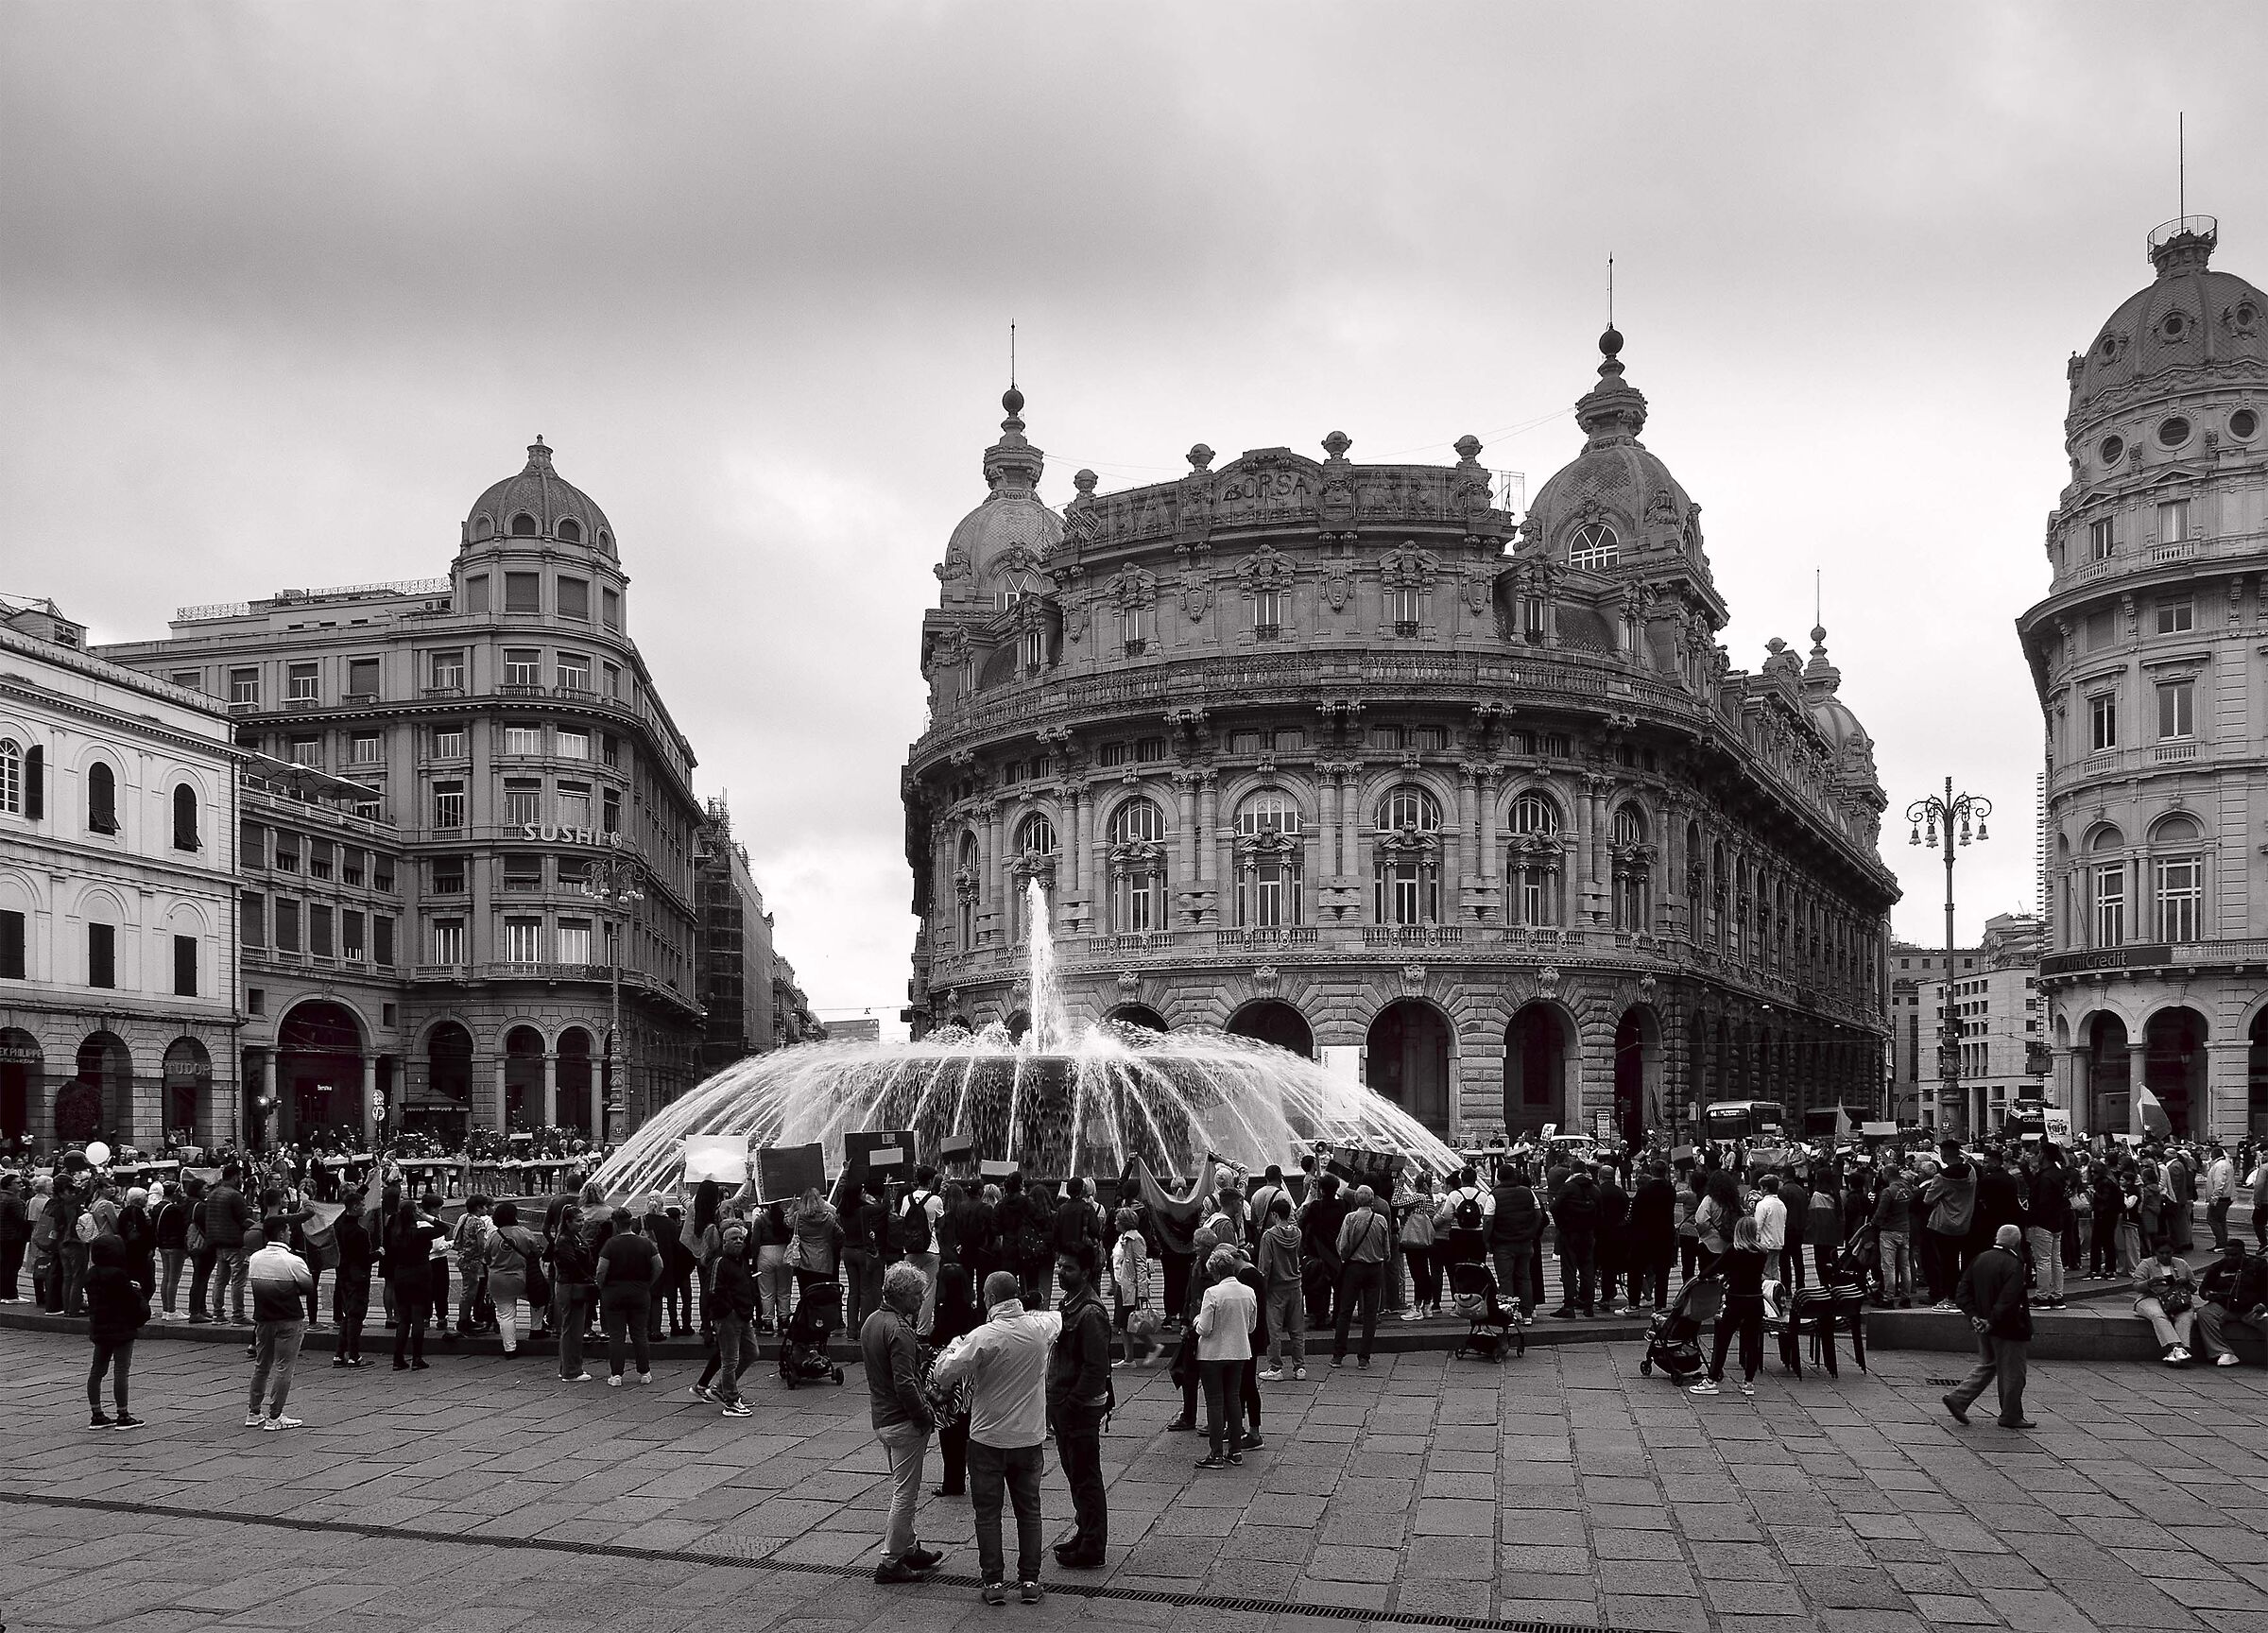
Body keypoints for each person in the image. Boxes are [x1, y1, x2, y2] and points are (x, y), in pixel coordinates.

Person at [930, 1269, 1062, 1606]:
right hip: (1029, 1436)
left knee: (987, 1512)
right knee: (1029, 1510)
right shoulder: (1040, 1329)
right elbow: (1057, 1318)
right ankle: (1030, 1580)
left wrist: (953, 1346)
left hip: (987, 1437)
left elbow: (944, 1373)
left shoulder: (982, 1337)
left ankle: (993, 1582)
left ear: (989, 1299)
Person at [861, 1261, 945, 1584]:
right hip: (903, 1422)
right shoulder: (900, 1330)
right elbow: (906, 1384)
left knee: (901, 1487)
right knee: (905, 1494)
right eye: (917, 1294)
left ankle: (909, 1547)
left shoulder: (872, 1321)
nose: (921, 1299)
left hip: (882, 1418)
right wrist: (925, 1416)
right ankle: (892, 1561)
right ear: (903, 1295)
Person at [1047, 1248, 1113, 1569]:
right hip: (1065, 1403)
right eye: (1060, 1265)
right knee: (1075, 1473)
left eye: (1069, 1267)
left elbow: (1096, 1367)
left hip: (1079, 1407)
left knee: (1086, 1476)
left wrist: (1071, 1403)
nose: (1061, 1272)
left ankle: (1093, 1545)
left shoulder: (1090, 1313)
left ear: (1086, 1273)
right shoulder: (1069, 1304)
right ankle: (1084, 1530)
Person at [1943, 1224, 2034, 1430]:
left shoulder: (1980, 1258)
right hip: (2008, 1327)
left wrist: (1974, 1316)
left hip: (1982, 1324)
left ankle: (1959, 1398)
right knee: (2013, 1373)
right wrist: (1992, 1320)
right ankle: (2011, 1415)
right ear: (2017, 1243)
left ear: (1996, 1237)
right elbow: (2008, 1299)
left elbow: (1962, 1292)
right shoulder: (2014, 1264)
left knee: (1989, 1364)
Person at [1194, 1244, 1257, 1469]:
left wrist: (1195, 1322)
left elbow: (1205, 1328)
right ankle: (1236, 1450)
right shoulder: (1249, 1292)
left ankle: (1216, 1453)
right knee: (1233, 1397)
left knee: (1215, 1401)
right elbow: (1251, 1327)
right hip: (1239, 1350)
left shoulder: (1212, 1293)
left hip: (1213, 1353)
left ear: (1216, 1272)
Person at [246, 1225, 315, 1431]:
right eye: (289, 1231)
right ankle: (275, 1416)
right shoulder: (293, 1261)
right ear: (282, 1233)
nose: (291, 1233)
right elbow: (309, 1288)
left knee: (261, 1365)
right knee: (284, 1367)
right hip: (289, 1318)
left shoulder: (255, 1258)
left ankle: (253, 1412)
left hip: (263, 1318)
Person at [1690, 1216, 1769, 1397]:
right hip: (1756, 1300)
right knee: (1751, 1342)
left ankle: (1711, 1379)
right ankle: (1749, 1383)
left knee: (1723, 1340)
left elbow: (1712, 1269)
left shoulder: (1733, 1250)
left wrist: (1708, 1275)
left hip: (1736, 1300)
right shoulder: (1762, 1252)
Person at [83, 1233, 146, 1430]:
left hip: (100, 1327)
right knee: (121, 1370)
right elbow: (130, 1302)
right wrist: (136, 1290)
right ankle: (123, 1414)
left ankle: (97, 1413)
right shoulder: (118, 1275)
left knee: (97, 1370)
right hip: (121, 1328)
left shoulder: (91, 1274)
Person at [929, 1260, 980, 1500]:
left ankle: (953, 1481)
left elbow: (936, 1339)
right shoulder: (973, 1310)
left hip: (950, 1374)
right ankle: (979, 1476)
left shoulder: (943, 1309)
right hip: (970, 1376)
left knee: (949, 1430)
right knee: (970, 1428)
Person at [595, 1211, 663, 1385]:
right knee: (639, 1333)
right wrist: (648, 1283)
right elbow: (659, 1265)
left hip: (614, 1293)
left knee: (617, 1335)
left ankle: (616, 1375)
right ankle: (645, 1372)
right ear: (631, 1222)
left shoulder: (611, 1244)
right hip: (640, 1292)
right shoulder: (645, 1243)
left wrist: (601, 1285)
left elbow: (601, 1269)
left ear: (616, 1224)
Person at [1332, 1186, 1392, 1367]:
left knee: (1345, 1311)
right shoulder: (1380, 1220)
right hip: (1375, 1270)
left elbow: (1342, 1246)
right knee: (1370, 1314)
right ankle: (1364, 1358)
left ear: (1356, 1200)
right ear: (1372, 1200)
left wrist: (1345, 1258)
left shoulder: (1350, 1218)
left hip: (1354, 1268)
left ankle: (1338, 1355)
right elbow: (1387, 1251)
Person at [385, 1196, 443, 1370]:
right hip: (420, 1273)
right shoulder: (420, 1233)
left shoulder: (395, 1234)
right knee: (418, 1316)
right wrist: (426, 1217)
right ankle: (417, 1358)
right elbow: (443, 1228)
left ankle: (398, 1358)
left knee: (404, 1319)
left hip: (401, 1274)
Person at [706, 1221, 758, 1414]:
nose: (738, 1241)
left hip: (743, 1316)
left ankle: (721, 1388)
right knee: (730, 1360)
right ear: (724, 1242)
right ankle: (731, 1400)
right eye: (733, 1239)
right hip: (728, 1317)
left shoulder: (740, 1261)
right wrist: (728, 1312)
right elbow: (713, 1292)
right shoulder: (720, 1263)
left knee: (752, 1353)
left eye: (741, 1239)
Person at [1921, 1143, 1977, 1306]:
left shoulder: (1941, 1178)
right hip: (1966, 1221)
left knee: (1948, 1263)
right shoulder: (1971, 1172)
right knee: (1965, 1261)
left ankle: (1951, 1297)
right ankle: (1966, 1294)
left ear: (1944, 1156)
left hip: (1944, 1225)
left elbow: (1928, 1199)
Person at [1256, 1195, 1305, 1380]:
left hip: (1276, 1288)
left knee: (1274, 1330)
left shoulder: (1269, 1237)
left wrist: (1262, 1288)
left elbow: (1265, 1266)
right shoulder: (1297, 1233)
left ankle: (1275, 1368)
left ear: (1275, 1214)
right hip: (1295, 1285)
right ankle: (1300, 1367)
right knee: (1297, 1329)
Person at [486, 1202, 543, 1358]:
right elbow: (536, 1251)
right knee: (539, 1298)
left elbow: (486, 1257)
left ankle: (509, 1349)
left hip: (497, 1279)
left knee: (506, 1314)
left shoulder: (493, 1235)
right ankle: (536, 1329)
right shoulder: (523, 1232)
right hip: (521, 1277)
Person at [2194, 1241, 2267, 1367]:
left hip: (2252, 1309)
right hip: (2225, 1307)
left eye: (2234, 1255)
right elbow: (2203, 1288)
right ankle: (2222, 1352)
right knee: (2204, 1314)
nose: (2230, 1258)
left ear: (2243, 1254)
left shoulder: (2258, 1266)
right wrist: (2208, 1294)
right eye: (2227, 1255)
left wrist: (2263, 1304)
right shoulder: (2217, 1267)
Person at [1486, 1163, 1543, 1316]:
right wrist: (1531, 1232)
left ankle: (1509, 1314)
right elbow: (1539, 1215)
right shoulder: (1528, 1192)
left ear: (1498, 1177)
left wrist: (1487, 1240)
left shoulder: (1494, 1196)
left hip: (1503, 1244)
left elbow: (1488, 1220)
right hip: (1525, 1243)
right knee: (1524, 1277)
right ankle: (1527, 1313)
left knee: (1505, 1279)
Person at [2133, 1238, 2201, 1365]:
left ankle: (2182, 1349)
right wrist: (2150, 1283)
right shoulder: (2146, 1264)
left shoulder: (2181, 1264)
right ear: (2155, 1252)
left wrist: (2185, 1282)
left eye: (2168, 1252)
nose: (2165, 1256)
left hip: (2177, 1299)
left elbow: (2193, 1287)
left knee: (2185, 1316)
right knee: (2158, 1315)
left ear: (2173, 1251)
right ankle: (2175, 1347)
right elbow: (2136, 1286)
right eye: (2161, 1253)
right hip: (2150, 1298)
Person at [550, 1205, 597, 1382]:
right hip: (571, 1286)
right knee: (572, 1330)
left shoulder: (572, 1237)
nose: (582, 1223)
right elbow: (571, 1263)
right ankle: (571, 1371)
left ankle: (568, 1368)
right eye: (578, 1221)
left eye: (583, 1220)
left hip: (572, 1285)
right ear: (568, 1222)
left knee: (571, 1328)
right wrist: (588, 1278)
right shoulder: (565, 1240)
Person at [1625, 1162, 1678, 1314]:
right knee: (1662, 1273)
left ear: (1652, 1171)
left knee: (1636, 1270)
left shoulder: (1644, 1191)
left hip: (1644, 1236)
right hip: (1664, 1236)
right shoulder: (1670, 1190)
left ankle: (1633, 1305)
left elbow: (1635, 1213)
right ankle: (1660, 1305)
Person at [1550, 1162, 1602, 1318]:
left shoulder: (1568, 1188)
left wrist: (1562, 1225)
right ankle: (1588, 1306)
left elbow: (1554, 1207)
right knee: (1587, 1269)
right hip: (1588, 1234)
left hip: (1569, 1233)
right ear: (1585, 1171)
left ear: (1572, 1171)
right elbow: (1600, 1213)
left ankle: (1569, 1306)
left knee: (1569, 1270)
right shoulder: (1594, 1189)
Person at [203, 1164, 251, 1324]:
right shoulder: (234, 1195)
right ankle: (238, 1314)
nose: (242, 1179)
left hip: (217, 1242)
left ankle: (218, 1314)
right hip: (234, 1242)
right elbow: (243, 1219)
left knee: (220, 1279)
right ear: (235, 1176)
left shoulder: (213, 1193)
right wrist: (259, 1226)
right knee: (238, 1280)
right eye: (241, 1176)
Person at [331, 1189, 373, 1368]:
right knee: (356, 1316)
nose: (365, 1208)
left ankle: (339, 1354)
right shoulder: (359, 1232)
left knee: (348, 1314)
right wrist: (379, 1254)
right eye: (362, 1205)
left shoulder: (339, 1226)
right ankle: (354, 1356)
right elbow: (364, 1258)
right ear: (355, 1207)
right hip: (358, 1276)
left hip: (343, 1274)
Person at [1109, 1207, 1157, 1367]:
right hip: (1122, 1285)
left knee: (1130, 1322)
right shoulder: (1123, 1238)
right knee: (1124, 1323)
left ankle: (1149, 1349)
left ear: (1124, 1223)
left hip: (1130, 1287)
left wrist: (1142, 1291)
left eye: (1117, 1220)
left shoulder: (1135, 1239)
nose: (1114, 1222)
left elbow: (1141, 1265)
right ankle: (1130, 1357)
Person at [1396, 1172, 1439, 1320]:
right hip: (1425, 1242)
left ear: (1417, 1184)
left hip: (1414, 1242)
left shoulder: (1418, 1197)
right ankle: (1427, 1306)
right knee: (1424, 1274)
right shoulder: (1430, 1199)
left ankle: (1416, 1307)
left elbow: (1395, 1202)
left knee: (1417, 1275)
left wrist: (1400, 1184)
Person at [1872, 1164, 1916, 1307]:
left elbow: (1880, 1213)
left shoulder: (1888, 1191)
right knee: (1905, 1266)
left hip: (1889, 1231)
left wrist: (1873, 1224)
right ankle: (1906, 1297)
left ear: (1887, 1174)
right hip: (1905, 1229)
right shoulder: (1907, 1189)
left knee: (1889, 1266)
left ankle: (1888, 1297)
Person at [2204, 1146, 2235, 1248]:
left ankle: (2221, 1243)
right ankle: (2222, 1243)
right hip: (2225, 1197)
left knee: (2212, 1219)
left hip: (2220, 1198)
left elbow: (2219, 1182)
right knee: (2221, 1220)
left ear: (2213, 1155)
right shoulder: (2226, 1164)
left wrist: (2214, 1197)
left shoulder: (2220, 1166)